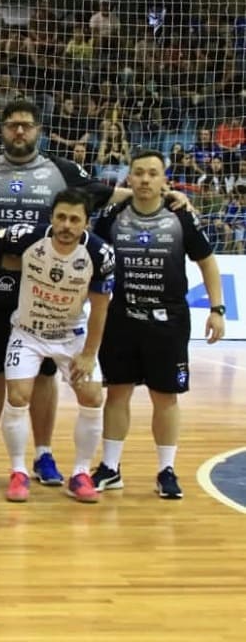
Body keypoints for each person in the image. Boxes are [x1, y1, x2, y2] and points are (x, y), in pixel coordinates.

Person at [0, 100, 115, 487]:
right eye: (11, 126)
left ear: (39, 129)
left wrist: (161, 195)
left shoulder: (62, 170)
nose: (18, 132)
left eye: (26, 126)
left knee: (43, 376)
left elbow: (101, 194)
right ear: (1, 130)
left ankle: (43, 455)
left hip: (46, 293)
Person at [92, 150, 225, 499]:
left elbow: (207, 262)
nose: (146, 179)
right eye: (139, 173)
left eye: (153, 173)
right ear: (129, 178)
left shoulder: (180, 216)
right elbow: (91, 259)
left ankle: (166, 470)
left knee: (165, 397)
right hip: (121, 318)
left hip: (168, 322)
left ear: (165, 179)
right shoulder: (112, 215)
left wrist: (217, 309)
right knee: (117, 392)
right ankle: (110, 468)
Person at [0, 189, 115, 503]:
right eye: (61, 217)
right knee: (18, 396)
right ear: (51, 218)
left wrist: (89, 354)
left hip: (70, 335)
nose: (66, 225)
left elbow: (100, 307)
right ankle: (18, 472)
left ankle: (80, 473)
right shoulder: (27, 236)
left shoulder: (100, 254)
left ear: (86, 223)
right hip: (27, 333)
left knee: (92, 395)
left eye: (75, 219)